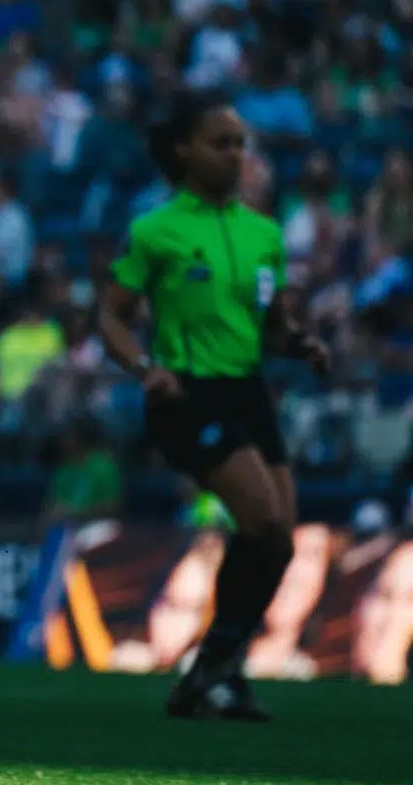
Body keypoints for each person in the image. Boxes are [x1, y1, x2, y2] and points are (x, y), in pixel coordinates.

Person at [99, 96, 331, 722]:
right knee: (261, 519)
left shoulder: (265, 234)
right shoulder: (156, 230)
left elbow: (274, 327)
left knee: (280, 544)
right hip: (187, 394)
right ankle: (214, 670)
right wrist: (147, 370)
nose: (234, 154)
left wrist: (302, 345)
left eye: (239, 144)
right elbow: (111, 318)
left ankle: (213, 672)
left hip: (249, 392)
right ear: (184, 150)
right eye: (220, 142)